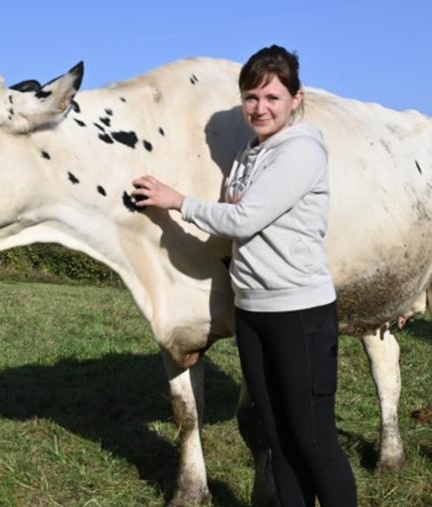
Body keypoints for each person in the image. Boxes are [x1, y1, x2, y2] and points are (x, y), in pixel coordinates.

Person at [131, 45, 357, 507]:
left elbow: (241, 220)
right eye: (251, 98)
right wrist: (234, 210)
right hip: (253, 313)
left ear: (297, 99)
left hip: (299, 314)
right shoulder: (248, 154)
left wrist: (179, 202)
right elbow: (240, 210)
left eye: (273, 97)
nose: (260, 108)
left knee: (313, 441)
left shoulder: (301, 151)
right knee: (278, 439)